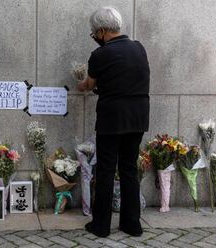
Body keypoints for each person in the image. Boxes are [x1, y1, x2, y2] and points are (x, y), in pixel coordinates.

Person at [77, 6, 150, 238]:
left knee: (107, 169)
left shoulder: (100, 55)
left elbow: (89, 85)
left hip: (112, 118)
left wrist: (80, 83)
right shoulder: (139, 48)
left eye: (94, 33)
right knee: (129, 169)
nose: (95, 38)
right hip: (138, 117)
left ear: (102, 31)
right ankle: (132, 224)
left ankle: (101, 226)